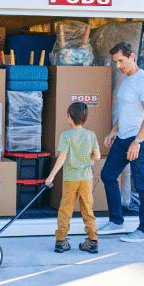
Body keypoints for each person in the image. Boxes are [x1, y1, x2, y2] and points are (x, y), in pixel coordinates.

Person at [98, 42, 144, 242]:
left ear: (132, 56)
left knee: (142, 185)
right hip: (123, 137)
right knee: (108, 175)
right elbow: (124, 111)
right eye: (115, 61)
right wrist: (113, 131)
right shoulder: (127, 79)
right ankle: (116, 221)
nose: (118, 65)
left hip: (139, 139)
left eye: (121, 61)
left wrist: (138, 141)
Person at [45, 102, 101, 254]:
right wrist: (90, 161)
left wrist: (51, 176)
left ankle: (61, 241)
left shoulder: (65, 135)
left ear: (69, 117)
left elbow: (62, 158)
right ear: (85, 118)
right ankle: (92, 241)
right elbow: (97, 155)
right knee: (87, 209)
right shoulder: (91, 135)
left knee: (65, 209)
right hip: (86, 179)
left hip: (70, 179)